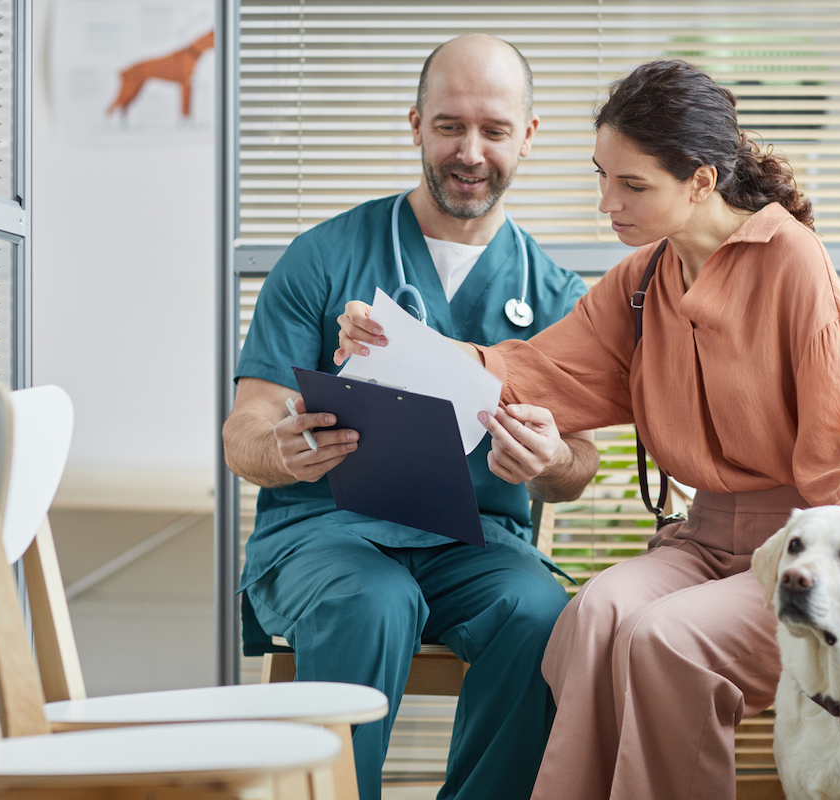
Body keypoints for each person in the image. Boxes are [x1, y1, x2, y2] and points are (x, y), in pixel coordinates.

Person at [335, 59, 840, 800]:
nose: (608, 202)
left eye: (633, 185)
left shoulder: (792, 262)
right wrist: (401, 344)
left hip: (800, 548)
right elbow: (530, 370)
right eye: (602, 176)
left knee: (660, 638)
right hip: (702, 541)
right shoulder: (641, 281)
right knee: (594, 613)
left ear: (702, 181)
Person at [222, 34, 597, 800]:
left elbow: (579, 466)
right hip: (324, 535)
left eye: (494, 130)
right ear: (415, 124)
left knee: (540, 614)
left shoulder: (557, 294)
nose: (470, 152)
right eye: (449, 125)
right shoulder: (324, 257)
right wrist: (284, 449)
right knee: (372, 600)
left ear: (528, 136)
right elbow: (244, 433)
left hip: (476, 542)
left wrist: (551, 461)